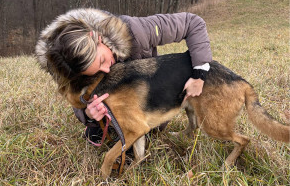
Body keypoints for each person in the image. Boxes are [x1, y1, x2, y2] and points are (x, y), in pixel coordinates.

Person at [35, 8, 212, 143]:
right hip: (114, 115)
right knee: (97, 136)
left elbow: (192, 23)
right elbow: (77, 98)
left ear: (95, 37)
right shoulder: (65, 65)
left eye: (103, 59)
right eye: (96, 71)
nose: (106, 69)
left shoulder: (136, 31)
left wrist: (199, 74)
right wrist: (88, 114)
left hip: (151, 106)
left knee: (145, 137)